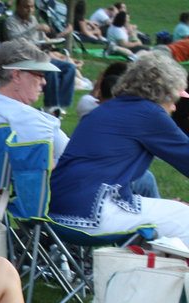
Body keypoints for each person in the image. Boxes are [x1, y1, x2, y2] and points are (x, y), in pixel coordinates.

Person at [50, 52, 189, 241]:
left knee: (169, 214)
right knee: (183, 216)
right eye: (174, 100)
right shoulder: (150, 114)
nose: (174, 108)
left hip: (56, 211)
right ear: (162, 92)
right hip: (92, 213)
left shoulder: (105, 109)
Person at [0, 40, 68, 161]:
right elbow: (46, 173)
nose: (44, 82)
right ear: (17, 75)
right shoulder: (29, 120)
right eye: (38, 74)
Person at [3, 0, 77, 116]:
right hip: (23, 57)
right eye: (26, 7)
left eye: (32, 7)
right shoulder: (11, 21)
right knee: (50, 70)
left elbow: (41, 39)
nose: (30, 10)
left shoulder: (33, 19)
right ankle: (50, 106)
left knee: (70, 68)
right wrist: (35, 29)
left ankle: (61, 105)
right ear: (18, 6)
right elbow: (15, 40)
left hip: (39, 55)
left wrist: (49, 42)